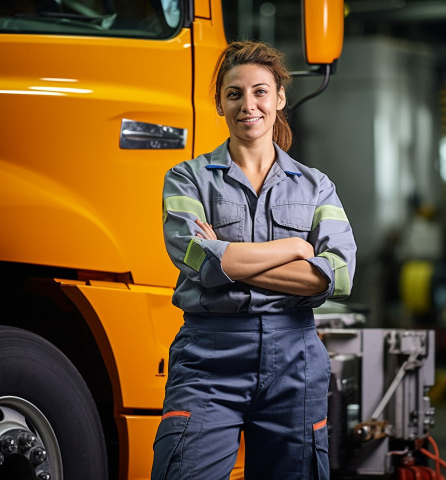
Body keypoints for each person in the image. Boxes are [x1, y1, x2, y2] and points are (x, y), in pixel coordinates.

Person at [151, 40, 357, 480]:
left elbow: (337, 276)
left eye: (260, 91)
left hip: (295, 360)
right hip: (209, 357)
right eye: (234, 94)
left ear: (280, 98)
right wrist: (297, 249)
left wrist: (228, 257)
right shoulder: (186, 179)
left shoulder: (316, 186)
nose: (249, 105)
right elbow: (199, 262)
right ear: (220, 104)